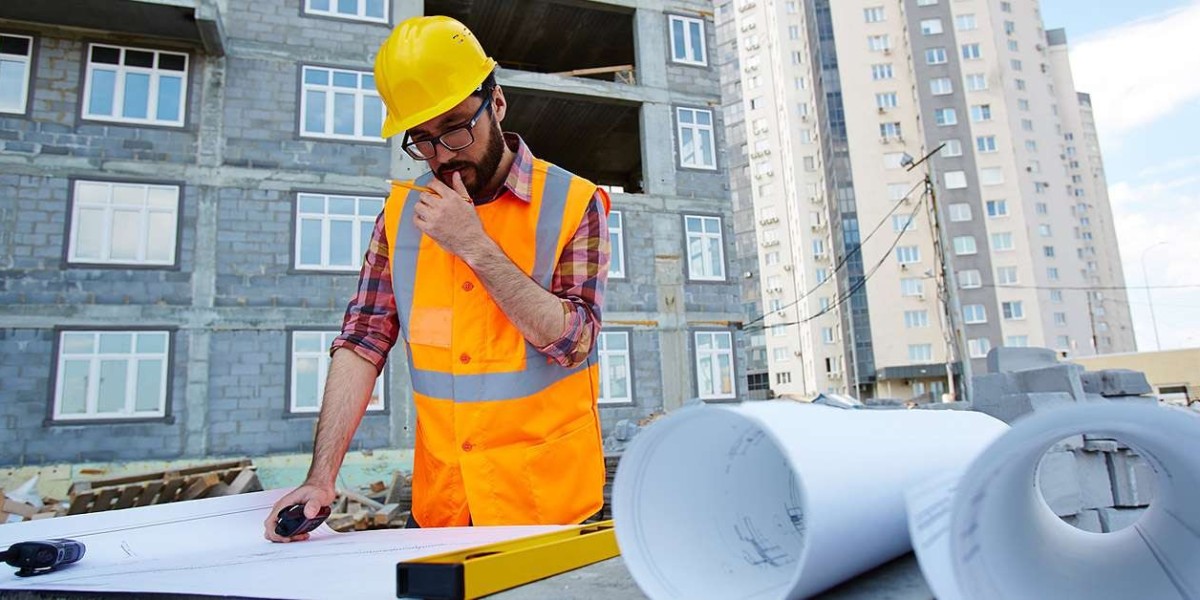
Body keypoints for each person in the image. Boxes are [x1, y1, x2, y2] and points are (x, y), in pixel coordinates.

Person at [264, 15, 610, 541]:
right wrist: (321, 477)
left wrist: (474, 245)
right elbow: (362, 341)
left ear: (496, 102)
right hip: (443, 505)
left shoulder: (573, 202)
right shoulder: (401, 214)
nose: (442, 154)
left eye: (455, 127)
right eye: (423, 140)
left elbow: (574, 341)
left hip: (547, 507)